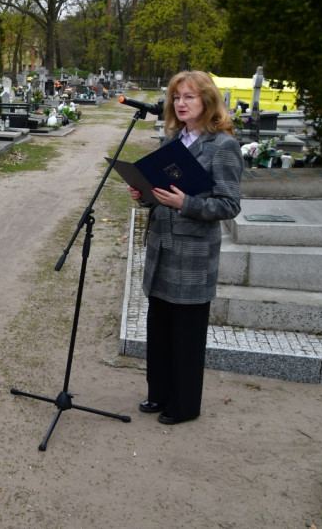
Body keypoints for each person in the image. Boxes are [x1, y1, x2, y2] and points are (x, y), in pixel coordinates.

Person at [129, 70, 242, 426]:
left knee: (186, 336)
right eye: (176, 97)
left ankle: (184, 404)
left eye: (189, 97)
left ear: (207, 101)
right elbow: (162, 192)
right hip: (162, 251)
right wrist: (145, 195)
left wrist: (185, 205)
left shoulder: (222, 146)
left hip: (193, 257)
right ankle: (158, 393)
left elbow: (229, 205)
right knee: (159, 329)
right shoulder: (172, 142)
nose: (180, 103)